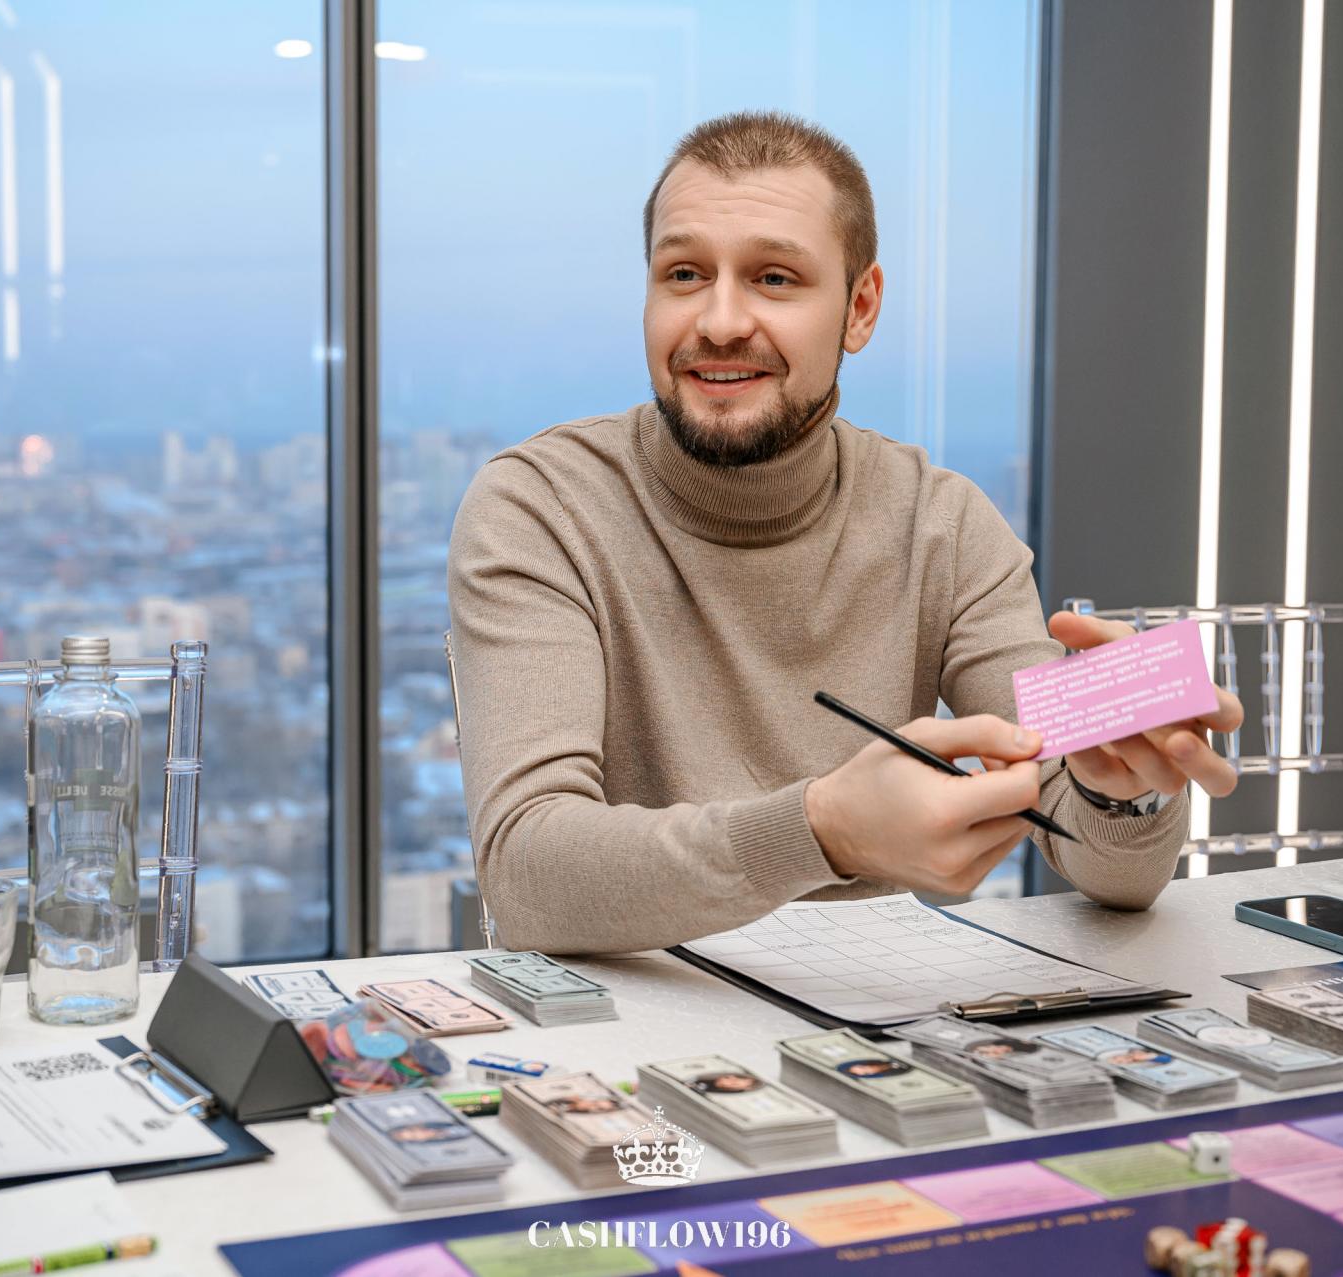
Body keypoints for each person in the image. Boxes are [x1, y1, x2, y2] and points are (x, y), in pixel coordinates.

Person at [448, 111, 1244, 956]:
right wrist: (820, 831)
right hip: (621, 1024)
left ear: (859, 309)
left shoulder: (940, 523)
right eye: (684, 273)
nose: (720, 321)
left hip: (869, 1018)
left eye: (774, 278)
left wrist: (1122, 787)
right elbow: (526, 873)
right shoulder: (540, 508)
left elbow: (1115, 871)